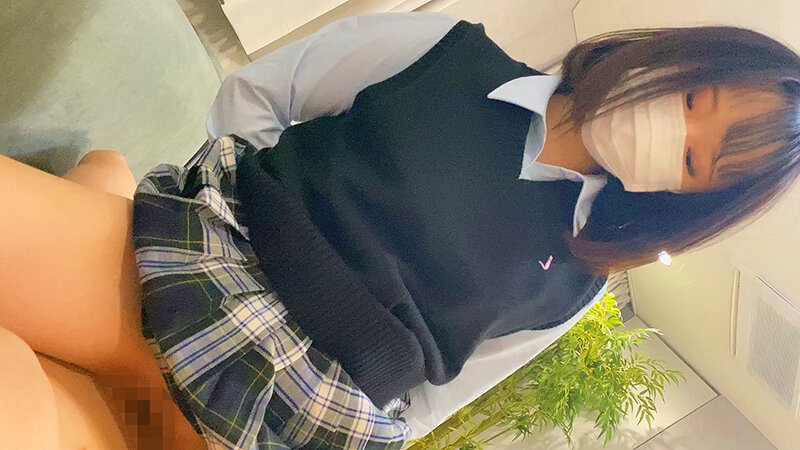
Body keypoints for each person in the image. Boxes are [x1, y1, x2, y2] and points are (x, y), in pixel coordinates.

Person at [2, 10, 799, 450]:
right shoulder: (450, 55)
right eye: (691, 100)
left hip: (298, 405)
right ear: (673, 57)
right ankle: (104, 184)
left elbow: (426, 403)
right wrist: (223, 192)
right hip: (210, 257)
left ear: (682, 198)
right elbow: (260, 97)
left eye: (692, 161)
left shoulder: (575, 283)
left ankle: (101, 179)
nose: (669, 131)